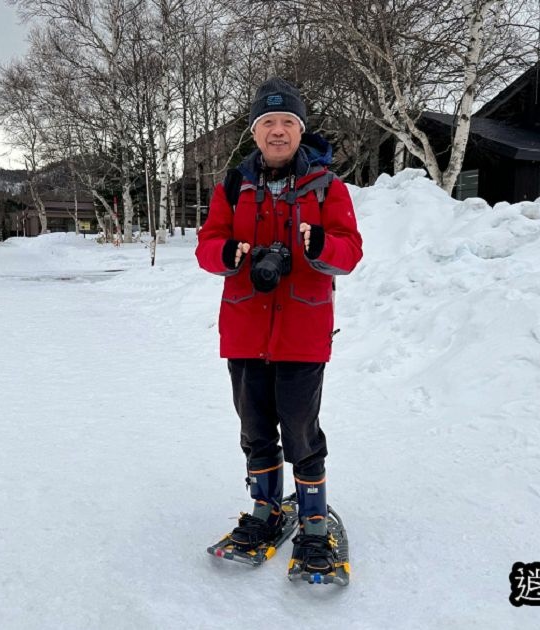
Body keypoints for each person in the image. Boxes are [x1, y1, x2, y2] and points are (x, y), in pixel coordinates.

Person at [195, 77, 363, 576]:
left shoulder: (328, 187)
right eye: (267, 122)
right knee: (254, 430)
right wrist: (227, 254)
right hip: (246, 330)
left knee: (300, 431)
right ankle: (265, 509)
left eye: (287, 121)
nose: (277, 131)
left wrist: (318, 249)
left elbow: (350, 250)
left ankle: (313, 521)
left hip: (302, 336)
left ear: (300, 130)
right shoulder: (232, 186)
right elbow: (209, 244)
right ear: (254, 131)